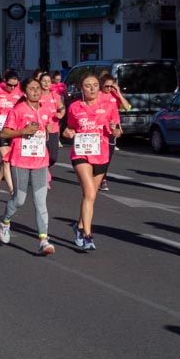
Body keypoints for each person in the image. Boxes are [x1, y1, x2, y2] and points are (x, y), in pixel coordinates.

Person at [0, 75, 56, 255]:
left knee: (41, 202)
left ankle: (43, 241)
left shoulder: (46, 109)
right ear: (24, 91)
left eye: (38, 88)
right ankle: (5, 222)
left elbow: (50, 126)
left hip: (40, 161)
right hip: (20, 161)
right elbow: (4, 133)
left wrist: (48, 130)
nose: (36, 91)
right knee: (19, 200)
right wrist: (23, 131)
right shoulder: (18, 110)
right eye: (31, 89)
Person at [62, 73, 120, 250]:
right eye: (88, 85)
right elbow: (69, 128)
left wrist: (114, 130)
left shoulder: (109, 105)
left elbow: (118, 131)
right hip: (81, 153)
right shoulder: (74, 107)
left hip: (101, 154)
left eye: (95, 85)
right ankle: (87, 235)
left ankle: (79, 226)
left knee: (92, 196)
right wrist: (67, 133)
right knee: (89, 193)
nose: (93, 88)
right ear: (81, 88)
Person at [0, 70, 23, 198]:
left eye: (15, 85)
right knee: (7, 159)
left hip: (13, 129)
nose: (12, 87)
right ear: (4, 81)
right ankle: (13, 191)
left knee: (8, 158)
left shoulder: (20, 93)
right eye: (10, 85)